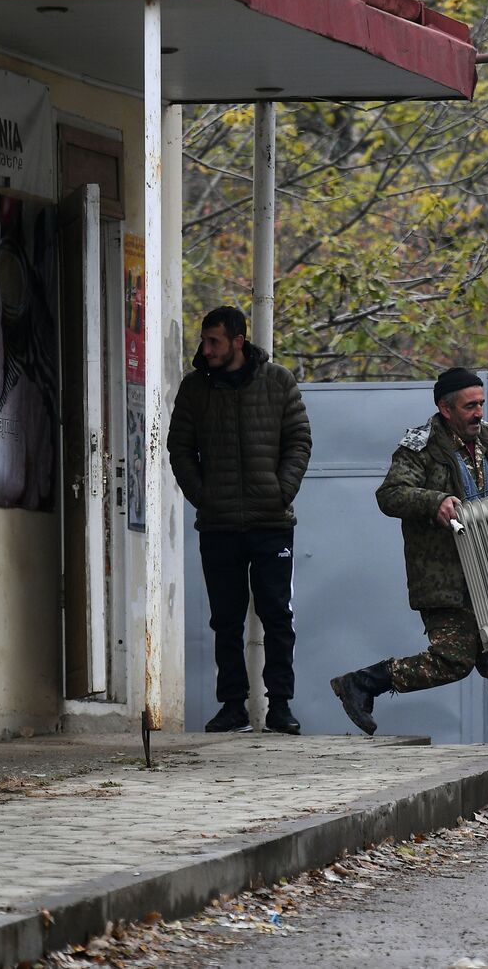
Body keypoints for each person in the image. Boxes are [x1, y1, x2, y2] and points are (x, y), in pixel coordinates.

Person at [329, 367, 488, 744]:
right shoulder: (419, 447)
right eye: (470, 406)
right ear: (445, 408)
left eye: (481, 403)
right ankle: (362, 683)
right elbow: (390, 494)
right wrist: (435, 501)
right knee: (454, 660)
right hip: (445, 579)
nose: (479, 412)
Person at [167, 306, 312, 735]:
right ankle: (232, 706)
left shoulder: (279, 381)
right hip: (219, 525)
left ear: (237, 341)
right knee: (224, 620)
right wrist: (205, 497)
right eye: (203, 340)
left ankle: (280, 706)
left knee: (277, 616)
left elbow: (300, 440)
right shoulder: (195, 389)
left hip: (272, 524)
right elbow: (179, 449)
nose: (205, 349)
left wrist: (281, 490)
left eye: (214, 341)